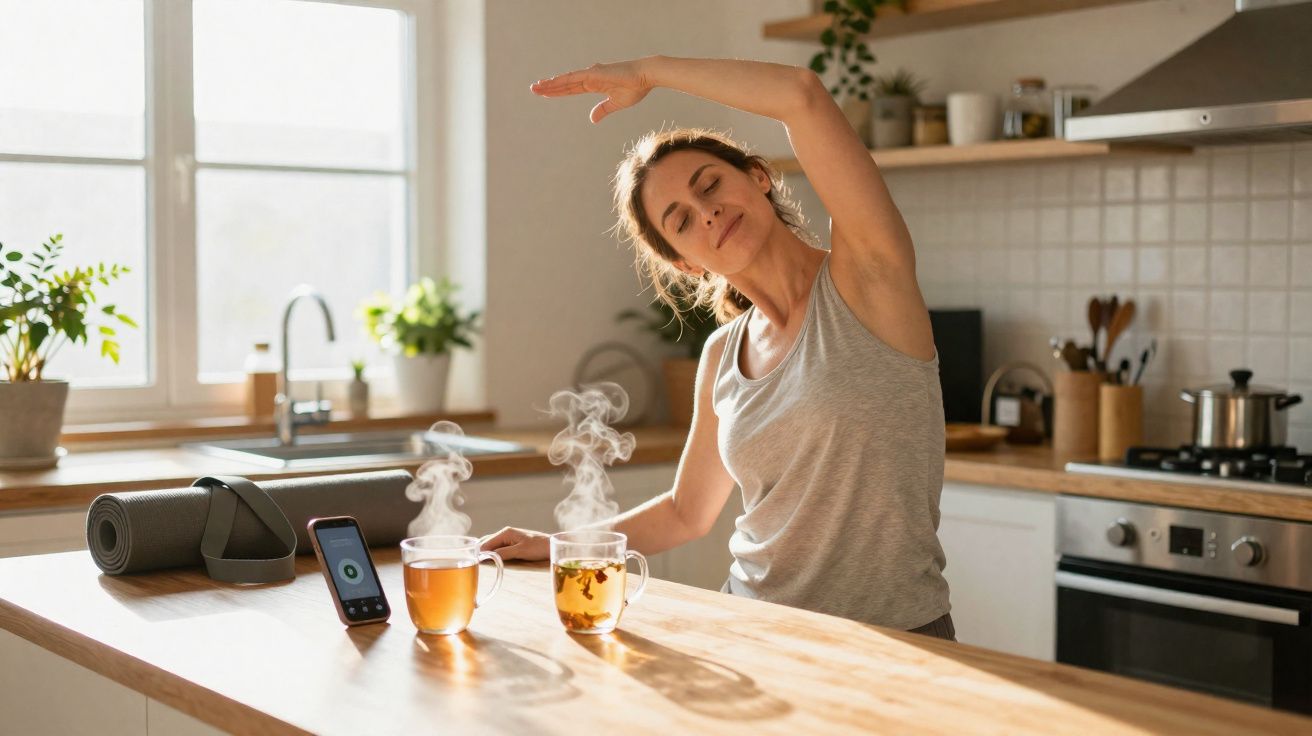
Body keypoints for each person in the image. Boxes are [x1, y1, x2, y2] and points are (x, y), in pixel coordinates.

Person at [482, 56, 953, 641]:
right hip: (752, 630)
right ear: (684, 261)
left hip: (896, 643)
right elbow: (686, 512)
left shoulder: (868, 280)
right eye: (681, 220)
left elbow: (801, 94)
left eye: (711, 184)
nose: (707, 212)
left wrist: (650, 73)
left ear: (758, 176)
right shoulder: (723, 354)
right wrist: (561, 545)